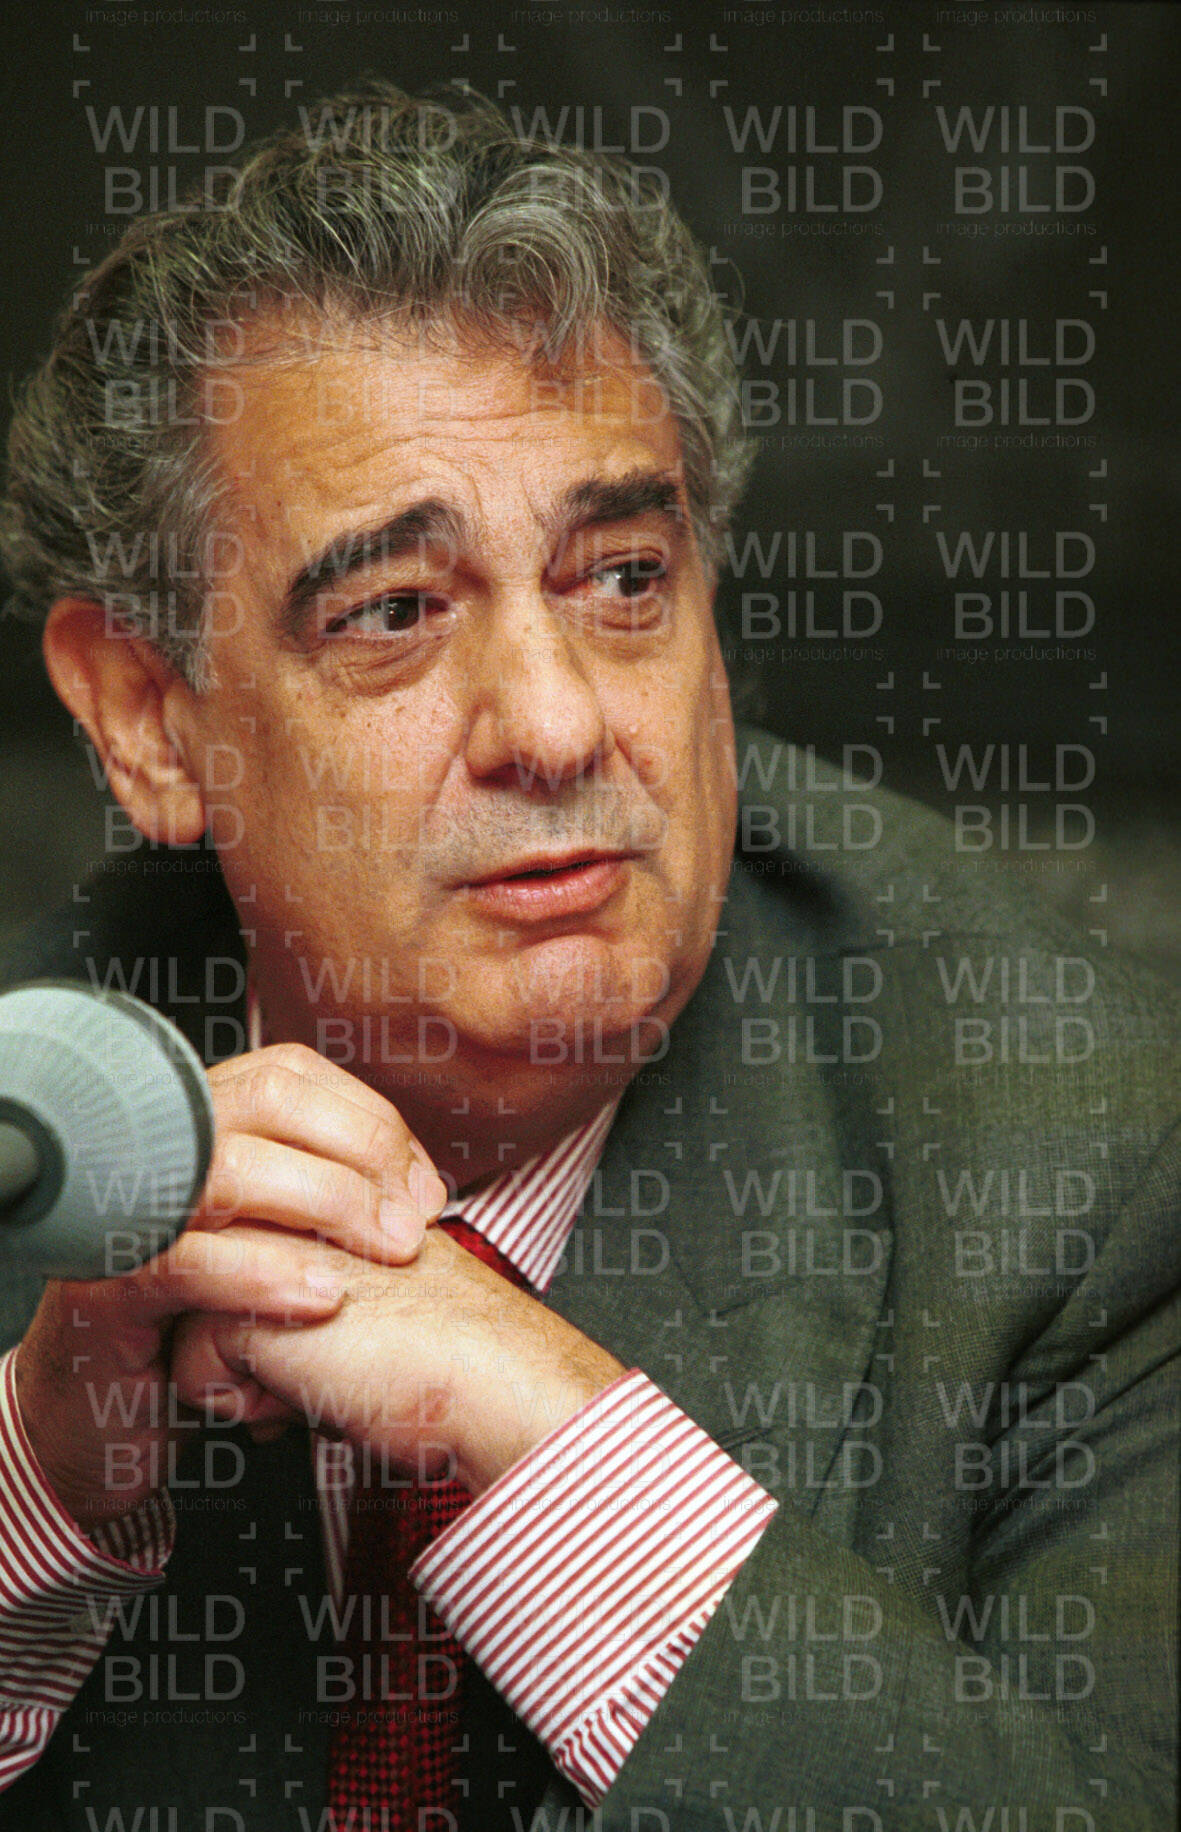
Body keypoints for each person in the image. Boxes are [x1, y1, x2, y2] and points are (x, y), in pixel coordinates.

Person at [0, 81, 1176, 1832]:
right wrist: (41, 1479)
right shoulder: (41, 1128)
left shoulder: (1099, 1166)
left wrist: (551, 1440)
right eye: (395, 613)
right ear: (149, 720)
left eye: (622, 580)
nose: (556, 728)